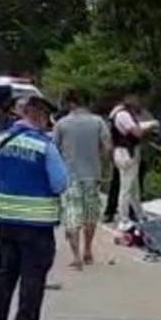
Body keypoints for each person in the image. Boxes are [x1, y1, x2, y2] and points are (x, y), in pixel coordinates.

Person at [0, 95, 69, 320]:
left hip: (4, 217)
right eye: (47, 118)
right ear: (39, 116)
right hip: (36, 222)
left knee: (4, 271)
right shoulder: (45, 146)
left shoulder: (0, 140)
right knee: (33, 274)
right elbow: (60, 183)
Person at [52, 90, 112, 269]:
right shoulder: (98, 122)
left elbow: (53, 150)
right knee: (90, 215)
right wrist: (99, 160)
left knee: (72, 216)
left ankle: (76, 256)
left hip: (69, 175)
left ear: (70, 104)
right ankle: (88, 250)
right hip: (92, 175)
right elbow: (108, 147)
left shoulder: (62, 124)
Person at [109, 90, 157, 229]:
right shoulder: (123, 114)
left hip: (126, 151)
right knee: (126, 187)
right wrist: (151, 126)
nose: (139, 101)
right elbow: (137, 132)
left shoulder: (119, 112)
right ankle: (123, 219)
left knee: (133, 186)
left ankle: (140, 214)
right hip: (126, 153)